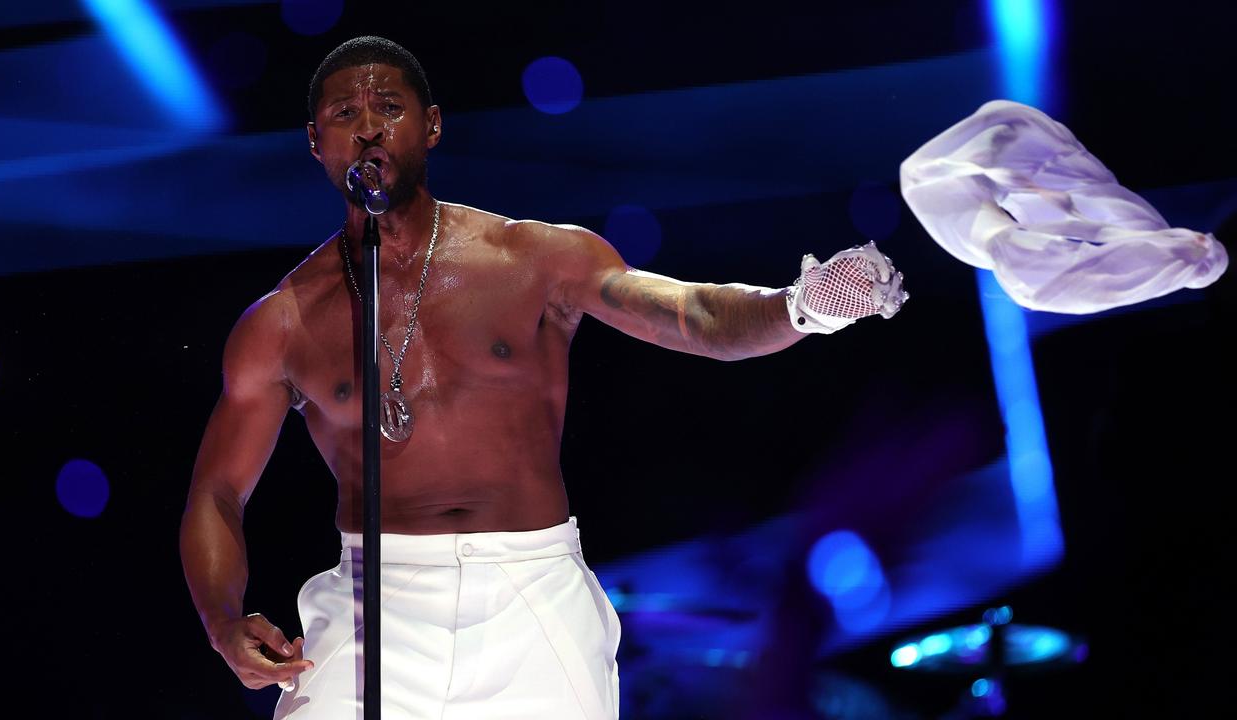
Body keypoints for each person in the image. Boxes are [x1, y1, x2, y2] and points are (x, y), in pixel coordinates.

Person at [179, 36, 907, 720]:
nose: (368, 128)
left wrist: (802, 305)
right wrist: (221, 620)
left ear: (431, 126)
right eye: (345, 114)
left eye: (389, 108)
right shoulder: (280, 323)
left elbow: (690, 314)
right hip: (373, 602)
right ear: (316, 142)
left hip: (529, 590)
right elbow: (217, 491)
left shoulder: (535, 259)